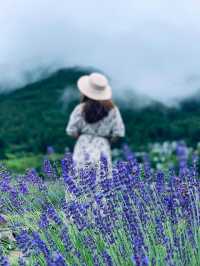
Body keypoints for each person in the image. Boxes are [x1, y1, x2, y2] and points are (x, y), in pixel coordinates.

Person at [66, 72, 125, 171]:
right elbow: (119, 132)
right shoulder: (113, 110)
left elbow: (71, 130)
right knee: (102, 182)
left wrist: (81, 136)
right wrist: (108, 140)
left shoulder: (80, 109)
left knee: (81, 181)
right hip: (102, 146)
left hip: (82, 147)